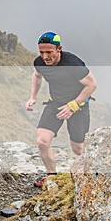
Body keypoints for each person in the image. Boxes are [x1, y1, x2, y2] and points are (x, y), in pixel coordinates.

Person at [25, 32, 97, 187]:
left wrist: (73, 106)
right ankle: (52, 177)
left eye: (49, 52)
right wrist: (33, 97)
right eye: (42, 52)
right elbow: (37, 75)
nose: (45, 57)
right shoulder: (40, 62)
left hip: (78, 107)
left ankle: (92, 178)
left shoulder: (73, 64)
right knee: (42, 141)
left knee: (78, 149)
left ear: (59, 49)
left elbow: (91, 85)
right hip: (55, 104)